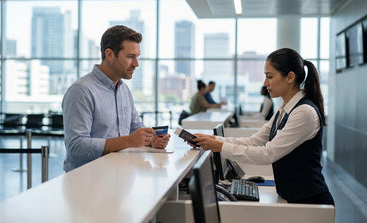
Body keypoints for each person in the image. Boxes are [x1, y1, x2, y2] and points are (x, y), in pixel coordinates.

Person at [191, 48, 335, 205]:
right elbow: (255, 141)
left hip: (310, 202)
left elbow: (268, 153)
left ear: (290, 77)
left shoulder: (304, 112)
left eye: (270, 77)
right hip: (293, 199)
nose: (265, 83)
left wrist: (220, 147)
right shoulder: (284, 109)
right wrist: (214, 140)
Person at [62, 25, 170, 172]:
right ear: (110, 54)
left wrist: (151, 139)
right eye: (130, 57)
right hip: (87, 180)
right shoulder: (81, 91)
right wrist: (128, 141)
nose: (136, 64)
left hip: (120, 174)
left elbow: (134, 127)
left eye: (137, 57)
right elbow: (77, 147)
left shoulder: (123, 89)